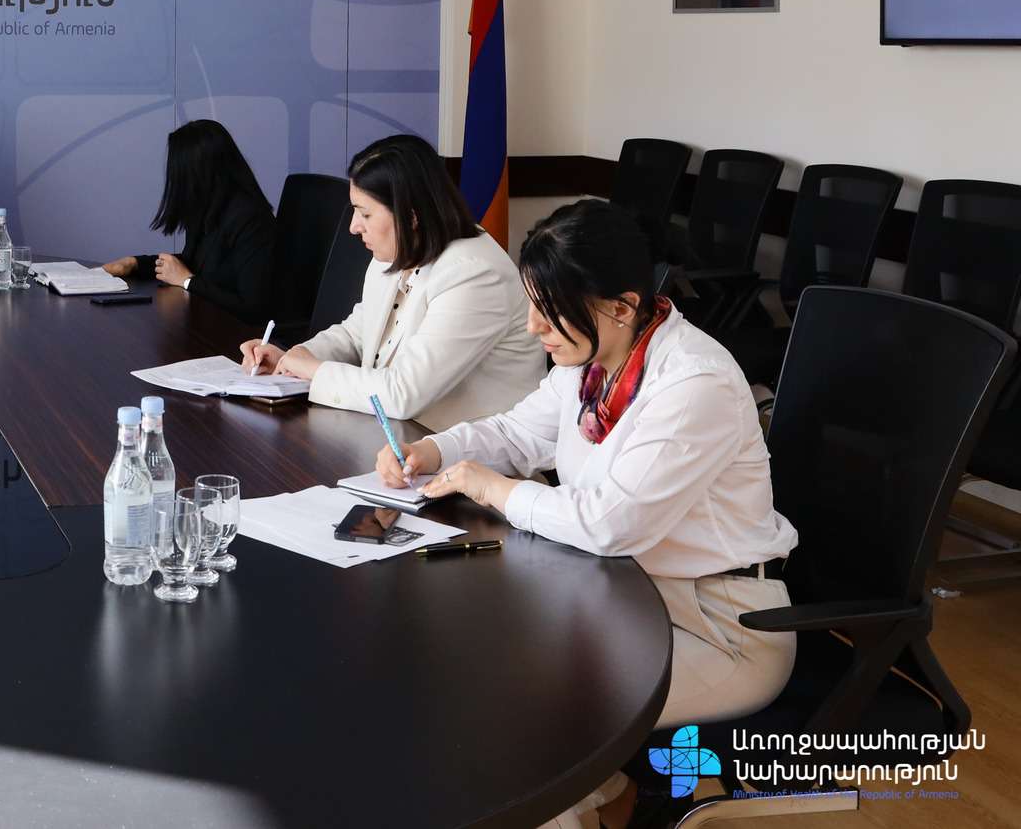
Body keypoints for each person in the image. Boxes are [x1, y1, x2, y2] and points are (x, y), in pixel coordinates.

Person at [377, 199, 797, 829]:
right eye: (532, 305)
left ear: (622, 306)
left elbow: (609, 524)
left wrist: (493, 489)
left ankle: (598, 797)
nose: (532, 327)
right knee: (473, 656)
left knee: (535, 715)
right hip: (622, 598)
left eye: (550, 310)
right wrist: (435, 449)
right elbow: (517, 432)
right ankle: (610, 797)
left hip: (719, 626)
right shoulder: (595, 359)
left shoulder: (693, 383)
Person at [240, 133, 544, 429]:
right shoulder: (396, 251)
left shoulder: (475, 275)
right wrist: (294, 358)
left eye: (365, 214)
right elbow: (358, 333)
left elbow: (404, 393)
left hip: (471, 451)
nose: (353, 227)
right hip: (400, 436)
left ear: (410, 217)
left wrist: (315, 371)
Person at [101, 119, 276, 322]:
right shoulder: (208, 208)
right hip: (208, 322)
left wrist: (187, 281)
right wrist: (134, 264)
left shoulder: (251, 219)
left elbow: (253, 308)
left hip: (238, 334)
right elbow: (192, 263)